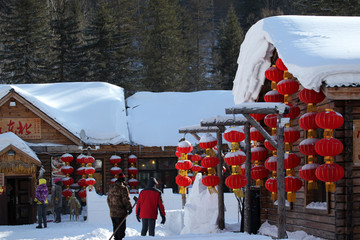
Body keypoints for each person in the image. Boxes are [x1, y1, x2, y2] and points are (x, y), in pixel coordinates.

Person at [107, 173, 132, 240]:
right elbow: (126, 200)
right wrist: (129, 208)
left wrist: (112, 207)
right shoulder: (123, 188)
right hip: (121, 213)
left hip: (112, 213)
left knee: (115, 228)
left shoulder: (111, 188)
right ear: (123, 180)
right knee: (121, 230)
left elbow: (108, 199)